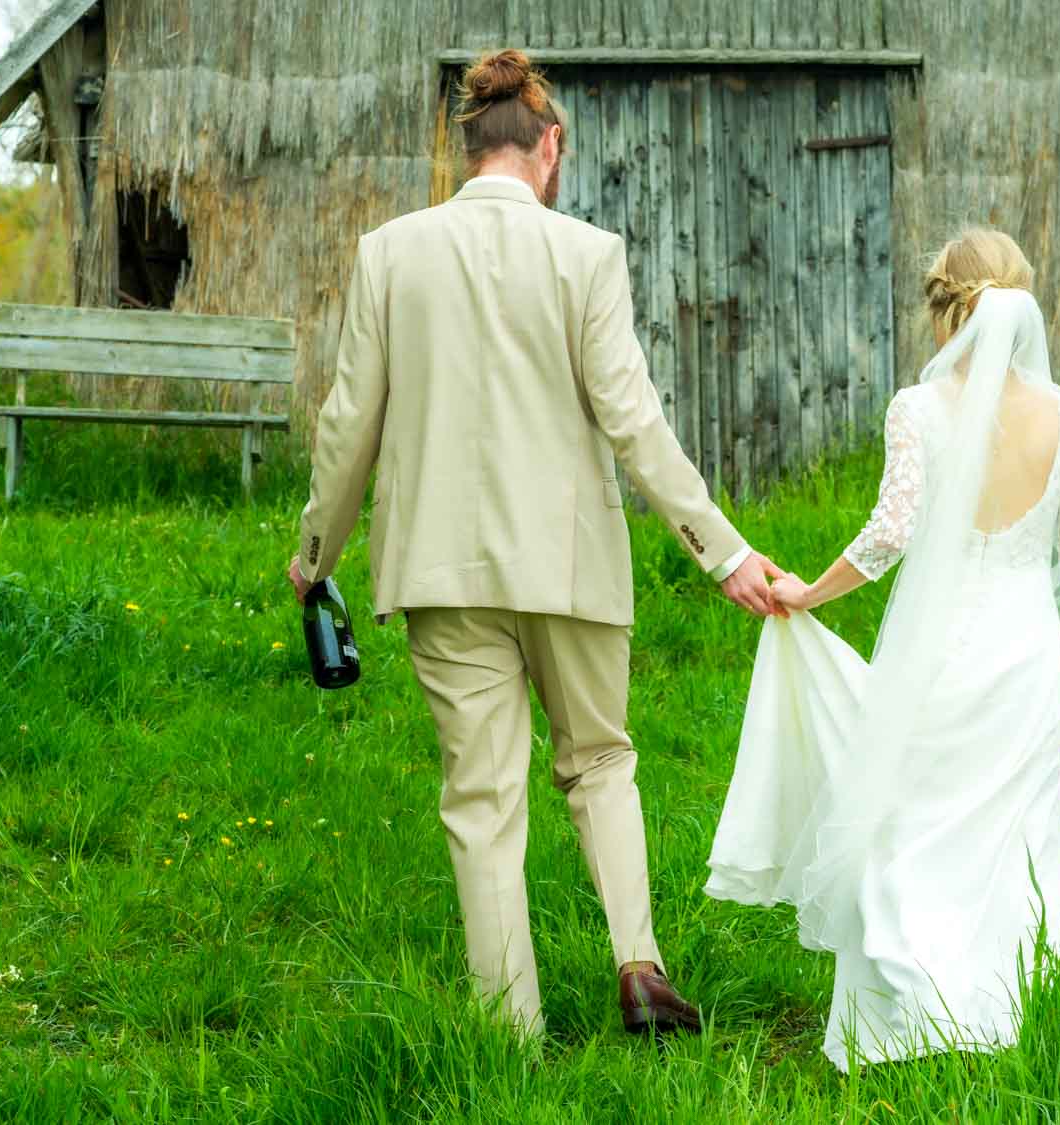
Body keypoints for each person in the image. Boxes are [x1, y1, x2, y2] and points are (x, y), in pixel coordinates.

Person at [287, 48, 783, 1040]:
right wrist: (725, 552)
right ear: (546, 145)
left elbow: (348, 423)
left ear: (467, 146)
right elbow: (634, 420)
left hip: (442, 569)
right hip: (571, 563)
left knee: (482, 799)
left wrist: (317, 555)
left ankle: (508, 1032)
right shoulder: (587, 254)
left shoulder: (390, 252)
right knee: (600, 760)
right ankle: (637, 965)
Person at [704, 229, 1060, 1070]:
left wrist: (808, 591)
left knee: (909, 827)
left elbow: (891, 533)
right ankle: (994, 1016)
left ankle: (903, 1011)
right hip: (1026, 658)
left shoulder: (919, 410)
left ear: (944, 310)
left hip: (941, 652)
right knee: (1013, 837)